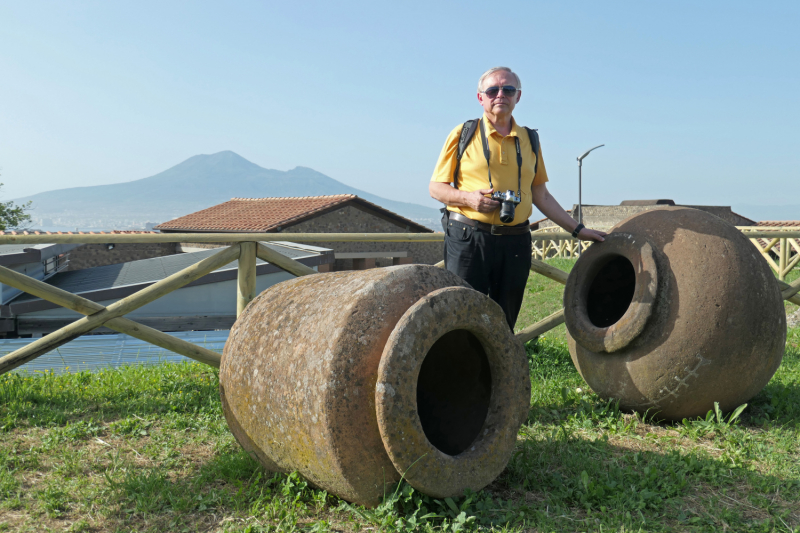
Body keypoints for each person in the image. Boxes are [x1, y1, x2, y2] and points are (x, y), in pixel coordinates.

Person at [429, 66, 607, 330]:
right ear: (481, 98)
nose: (500, 94)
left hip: (516, 242)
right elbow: (436, 188)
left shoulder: (530, 139)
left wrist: (578, 230)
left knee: (504, 322)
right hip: (469, 238)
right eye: (492, 90)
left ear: (518, 97)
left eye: (508, 89)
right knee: (460, 318)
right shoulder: (463, 133)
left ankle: (497, 372)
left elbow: (541, 195)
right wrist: (469, 199)